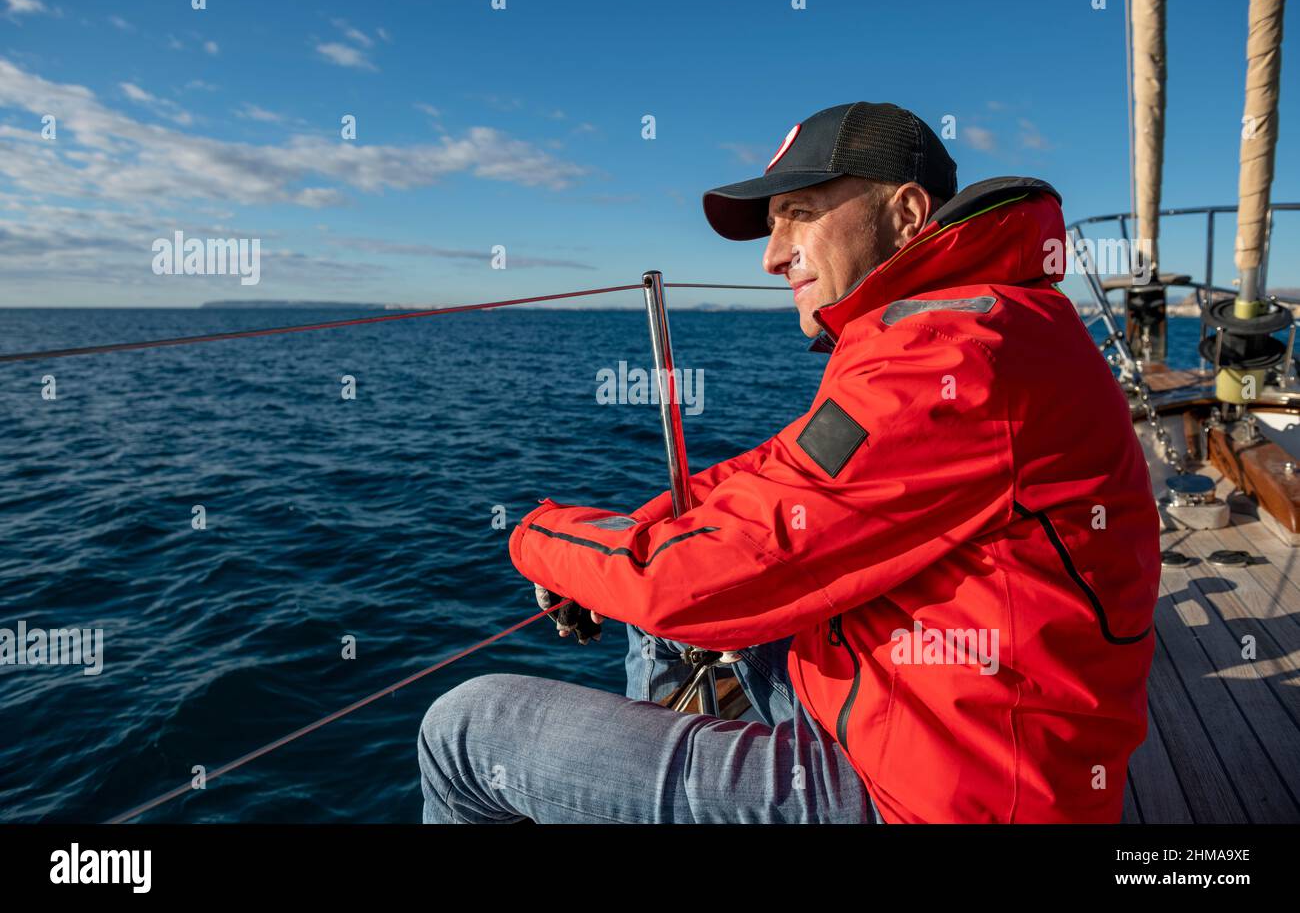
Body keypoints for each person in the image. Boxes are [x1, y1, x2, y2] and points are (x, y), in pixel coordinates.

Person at [418, 101, 1160, 823]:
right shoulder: (963, 323)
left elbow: (696, 576)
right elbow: (784, 466)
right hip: (927, 722)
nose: (773, 257)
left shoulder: (956, 357)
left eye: (799, 213)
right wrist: (639, 523)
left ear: (905, 214)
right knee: (670, 597)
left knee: (462, 732)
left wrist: (538, 539)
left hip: (939, 794)